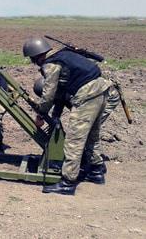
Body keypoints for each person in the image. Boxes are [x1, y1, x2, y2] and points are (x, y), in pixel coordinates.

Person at [23, 36, 117, 195]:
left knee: (74, 140)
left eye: (33, 59)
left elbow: (49, 95)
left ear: (37, 56)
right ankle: (96, 170)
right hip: (102, 91)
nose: (34, 63)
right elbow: (59, 97)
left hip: (87, 96)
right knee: (92, 135)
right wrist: (55, 115)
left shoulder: (51, 64)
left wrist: (41, 112)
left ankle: (67, 182)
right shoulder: (64, 54)